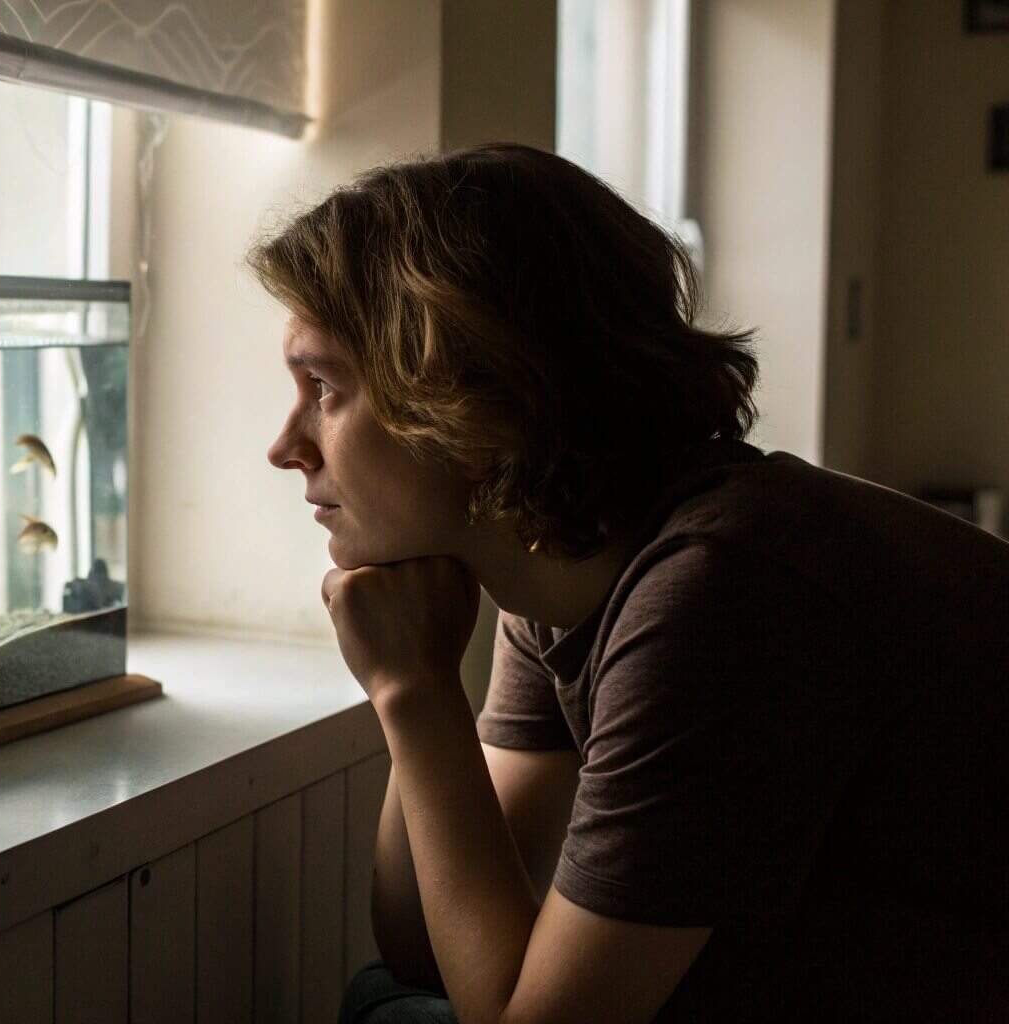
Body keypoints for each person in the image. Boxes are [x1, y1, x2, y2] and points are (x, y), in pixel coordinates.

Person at [251, 143, 1009, 1023]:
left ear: (465, 391)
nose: (285, 444)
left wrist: (413, 689)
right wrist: (419, 688)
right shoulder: (564, 559)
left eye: (322, 386)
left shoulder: (723, 592)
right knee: (389, 1004)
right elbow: (421, 942)